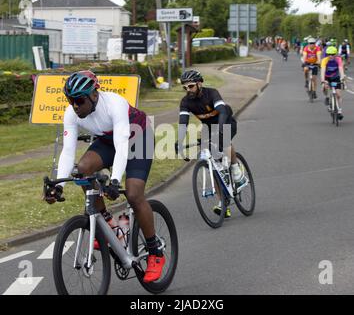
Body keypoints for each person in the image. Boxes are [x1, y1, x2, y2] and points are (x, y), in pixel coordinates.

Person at [44, 70, 165, 283]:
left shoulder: (114, 104)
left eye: (79, 100)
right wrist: (59, 183)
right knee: (82, 169)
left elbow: (122, 146)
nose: (75, 106)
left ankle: (155, 252)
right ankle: (108, 223)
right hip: (108, 141)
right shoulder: (71, 113)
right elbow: (68, 150)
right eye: (70, 101)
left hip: (138, 139)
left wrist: (115, 180)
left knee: (134, 194)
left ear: (93, 95)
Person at [175, 70, 246, 218]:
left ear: (200, 83)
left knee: (224, 138)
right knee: (212, 165)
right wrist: (180, 142)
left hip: (225, 121)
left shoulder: (212, 93)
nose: (188, 90)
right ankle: (223, 203)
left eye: (191, 86)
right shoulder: (186, 102)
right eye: (185, 88)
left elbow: (222, 111)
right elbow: (183, 123)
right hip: (208, 128)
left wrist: (220, 130)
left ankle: (235, 169)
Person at [321, 46, 346, 120]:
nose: (331, 56)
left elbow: (341, 69)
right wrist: (323, 80)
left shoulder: (338, 59)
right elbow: (322, 71)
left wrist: (342, 78)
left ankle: (339, 111)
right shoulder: (324, 60)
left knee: (338, 94)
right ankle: (327, 97)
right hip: (327, 77)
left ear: (335, 54)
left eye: (332, 54)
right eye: (329, 54)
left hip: (335, 77)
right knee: (324, 86)